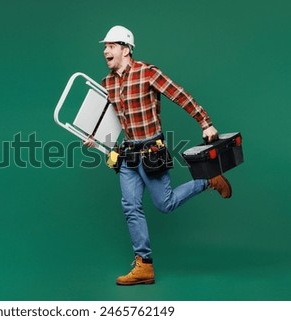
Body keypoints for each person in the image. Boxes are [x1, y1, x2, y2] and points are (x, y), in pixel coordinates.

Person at [83, 25, 232, 286]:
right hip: (128, 152)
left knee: (165, 204)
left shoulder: (147, 72)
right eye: (104, 46)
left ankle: (208, 180)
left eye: (111, 45)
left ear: (126, 49)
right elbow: (112, 119)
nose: (105, 50)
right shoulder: (107, 82)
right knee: (130, 207)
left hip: (151, 148)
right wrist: (96, 137)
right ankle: (144, 265)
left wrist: (205, 122)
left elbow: (179, 95)